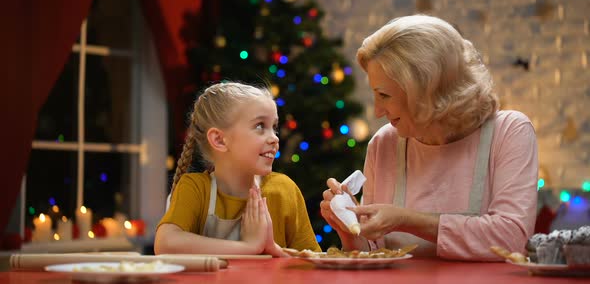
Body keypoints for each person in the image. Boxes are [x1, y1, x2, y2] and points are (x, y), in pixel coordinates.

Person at [320, 15, 538, 261]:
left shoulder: (509, 131)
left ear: (426, 90)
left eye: (384, 95)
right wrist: (350, 229)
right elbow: (374, 252)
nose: (378, 111)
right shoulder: (385, 143)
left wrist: (406, 220)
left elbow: (512, 239)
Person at [155, 82, 320, 256]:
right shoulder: (195, 188)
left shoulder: (284, 190)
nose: (274, 138)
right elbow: (166, 243)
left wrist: (274, 250)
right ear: (219, 140)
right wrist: (249, 247)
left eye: (274, 127)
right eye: (260, 126)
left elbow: (312, 263)